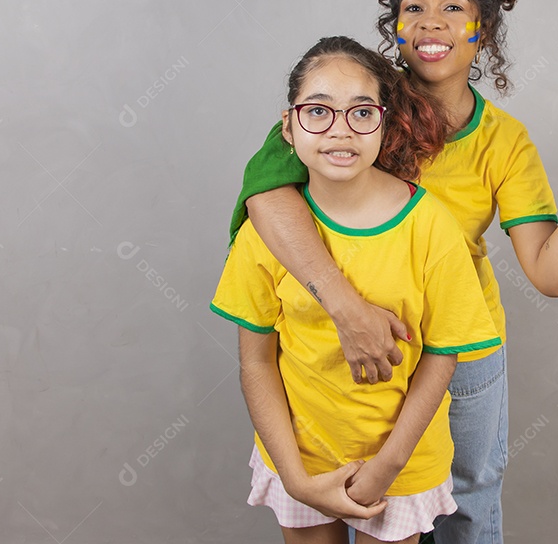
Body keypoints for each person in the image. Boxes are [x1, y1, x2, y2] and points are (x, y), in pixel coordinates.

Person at [231, 0, 558, 543]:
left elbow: (551, 273)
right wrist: (346, 308)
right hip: (346, 346)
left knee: (465, 503)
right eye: (413, 7)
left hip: (460, 350)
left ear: (484, 25)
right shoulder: (352, 106)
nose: (431, 23)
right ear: (394, 24)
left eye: (454, 7)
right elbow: (266, 198)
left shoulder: (504, 141)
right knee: (349, 496)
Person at [211, 36, 501, 544]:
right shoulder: (266, 233)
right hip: (300, 457)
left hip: (400, 466)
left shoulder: (430, 226)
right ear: (288, 126)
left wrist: (386, 467)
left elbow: (442, 355)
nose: (340, 130)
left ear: (384, 124)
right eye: (317, 111)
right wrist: (296, 478)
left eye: (362, 112)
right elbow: (256, 362)